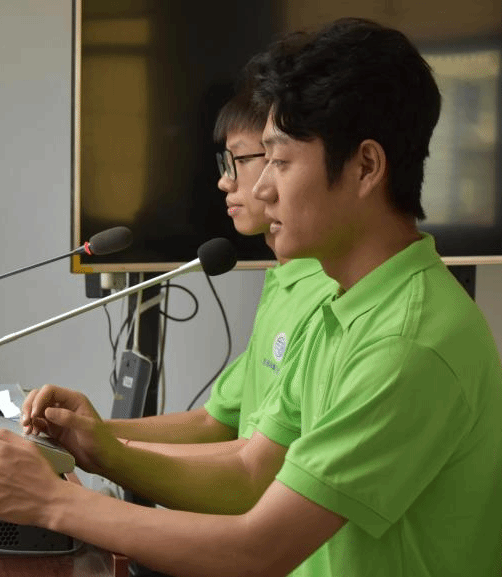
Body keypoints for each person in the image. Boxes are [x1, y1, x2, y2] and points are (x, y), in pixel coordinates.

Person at [0, 18, 502, 577]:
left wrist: (51, 502)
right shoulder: (341, 307)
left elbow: (258, 550)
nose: (261, 187)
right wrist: (99, 448)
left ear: (365, 167)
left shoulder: (406, 343)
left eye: (280, 161)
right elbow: (252, 470)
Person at [106, 91, 335, 457]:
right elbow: (214, 421)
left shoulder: (327, 293)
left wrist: (103, 451)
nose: (225, 182)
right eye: (223, 163)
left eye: (238, 160)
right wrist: (87, 429)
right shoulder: (283, 278)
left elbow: (253, 467)